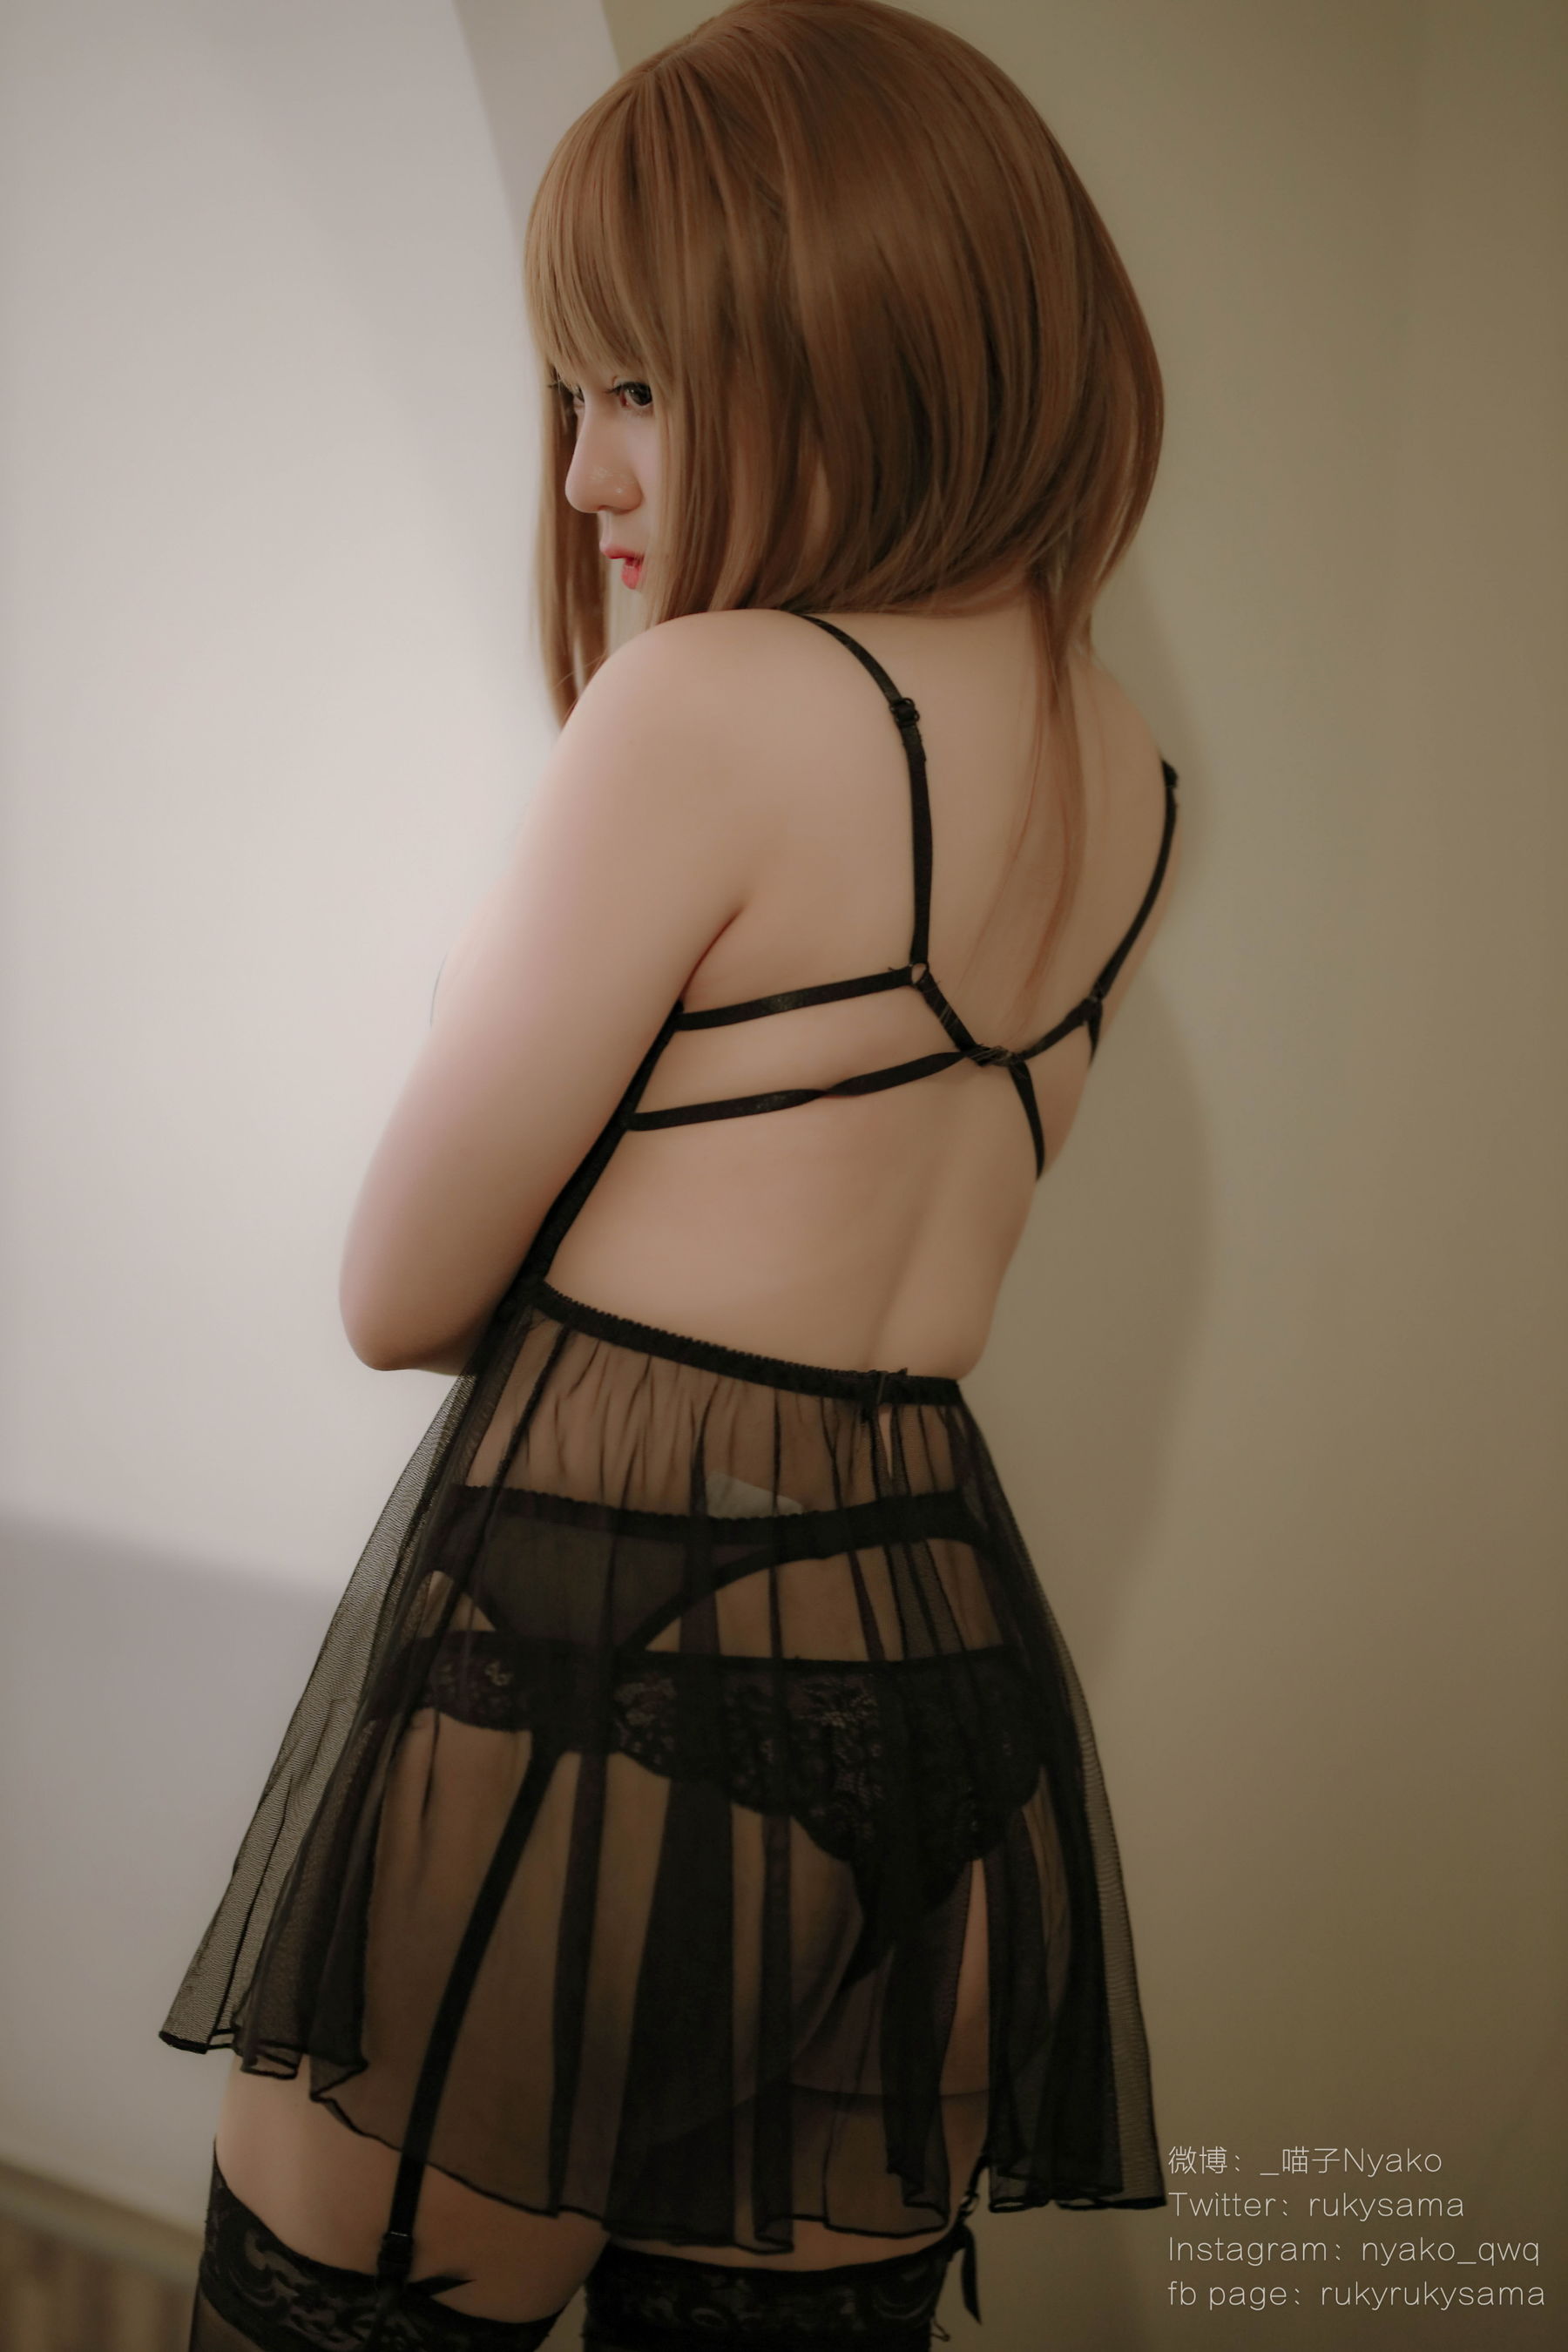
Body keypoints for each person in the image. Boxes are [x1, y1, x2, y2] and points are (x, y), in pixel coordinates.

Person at [161, 3, 1182, 2344]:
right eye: (572, 392)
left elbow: (398, 1294)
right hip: (946, 1688)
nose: (583, 475)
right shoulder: (1122, 759)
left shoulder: (713, 705)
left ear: (851, 339)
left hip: (600, 1675)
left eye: (640, 386)